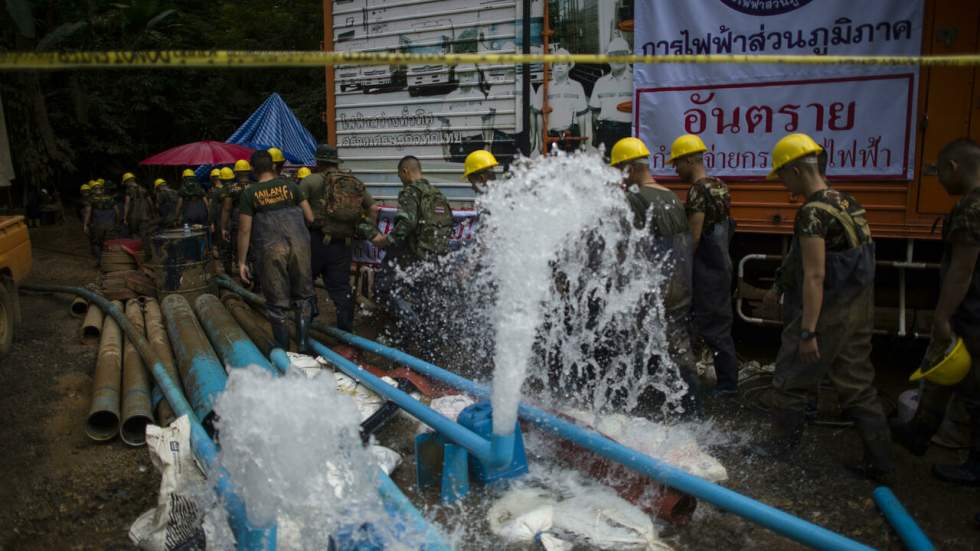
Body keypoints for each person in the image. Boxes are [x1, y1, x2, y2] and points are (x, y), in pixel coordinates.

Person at [762, 133, 894, 482]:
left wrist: (807, 332)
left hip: (827, 310)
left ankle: (778, 450)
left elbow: (815, 276)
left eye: (783, 176)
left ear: (795, 170)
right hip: (858, 306)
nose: (782, 185)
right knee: (857, 384)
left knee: (791, 379)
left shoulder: (811, 213)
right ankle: (882, 464)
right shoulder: (848, 202)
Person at [891, 138, 980, 486]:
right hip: (972, 310)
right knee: (944, 373)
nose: (939, 181)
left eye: (939, 173)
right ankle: (919, 432)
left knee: (974, 390)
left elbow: (963, 269)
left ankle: (974, 463)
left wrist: (942, 317)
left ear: (953, 167)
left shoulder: (971, 208)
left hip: (973, 313)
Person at [612, 136, 702, 418]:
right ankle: (692, 408)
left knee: (634, 343)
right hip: (680, 283)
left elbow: (625, 250)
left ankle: (632, 409)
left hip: (650, 286)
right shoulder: (672, 196)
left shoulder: (633, 199)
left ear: (629, 167)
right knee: (678, 346)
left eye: (619, 170)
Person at [669, 134, 738, 396]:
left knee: (712, 327)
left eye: (678, 163)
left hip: (707, 268)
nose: (676, 169)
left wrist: (681, 270)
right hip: (722, 264)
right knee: (720, 322)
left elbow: (695, 236)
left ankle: (728, 386)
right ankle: (727, 380)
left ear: (689, 159)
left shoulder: (697, 190)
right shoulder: (720, 185)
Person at [237, 149, 316, 351]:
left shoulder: (250, 193)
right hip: (299, 247)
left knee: (276, 302)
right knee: (303, 297)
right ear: (273, 166)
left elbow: (245, 229)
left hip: (271, 250)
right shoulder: (291, 186)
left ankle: (283, 352)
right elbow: (310, 218)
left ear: (253, 169)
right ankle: (304, 345)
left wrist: (241, 262)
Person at [371, 156, 453, 349]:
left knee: (383, 289)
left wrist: (386, 241)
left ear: (405, 172)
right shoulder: (437, 193)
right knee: (426, 301)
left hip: (412, 256)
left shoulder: (410, 192)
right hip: (434, 256)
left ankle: (410, 331)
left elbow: (406, 223)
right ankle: (429, 347)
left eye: (400, 175)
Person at [300, 144, 379, 333]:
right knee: (342, 290)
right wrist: (364, 229)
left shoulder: (309, 182)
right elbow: (374, 208)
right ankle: (346, 337)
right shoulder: (353, 182)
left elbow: (303, 214)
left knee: (303, 285)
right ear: (336, 162)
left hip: (316, 242)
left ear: (318, 161)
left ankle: (306, 329)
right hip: (343, 245)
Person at [530, 48, 592, 153]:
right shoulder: (543, 88)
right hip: (550, 137)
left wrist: (582, 141)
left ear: (569, 67)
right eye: (556, 64)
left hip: (570, 138)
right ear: (552, 67)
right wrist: (540, 141)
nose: (559, 67)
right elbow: (539, 116)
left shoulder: (577, 87)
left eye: (563, 64)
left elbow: (581, 116)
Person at [590, 37, 633, 157]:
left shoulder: (636, 80)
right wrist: (596, 137)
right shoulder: (600, 83)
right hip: (607, 133)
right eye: (613, 55)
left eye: (621, 54)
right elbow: (595, 114)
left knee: (629, 168)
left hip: (629, 131)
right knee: (608, 169)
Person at [83, 179, 118, 264]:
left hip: (97, 225)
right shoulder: (110, 198)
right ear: (102, 189)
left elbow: (88, 212)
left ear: (92, 190)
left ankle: (100, 260)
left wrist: (85, 225)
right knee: (108, 242)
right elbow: (117, 211)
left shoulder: (91, 200)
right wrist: (115, 222)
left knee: (96, 243)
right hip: (110, 224)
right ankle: (109, 261)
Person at [121, 171, 155, 256]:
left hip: (133, 216)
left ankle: (138, 254)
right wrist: (152, 213)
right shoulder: (143, 189)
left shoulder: (128, 190)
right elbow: (150, 202)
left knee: (134, 234)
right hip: (145, 216)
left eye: (125, 182)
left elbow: (127, 204)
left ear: (127, 181)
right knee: (145, 235)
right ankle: (148, 254)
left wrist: (124, 217)